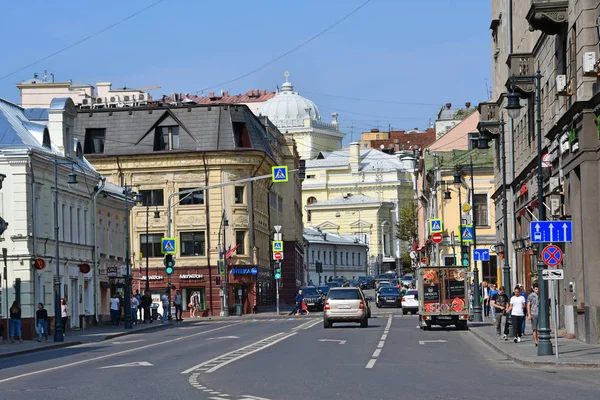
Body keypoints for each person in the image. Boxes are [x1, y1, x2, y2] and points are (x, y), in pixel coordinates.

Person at [527, 282, 540, 347]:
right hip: (534, 313)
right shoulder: (530, 296)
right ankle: (536, 341)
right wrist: (529, 314)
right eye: (536, 289)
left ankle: (540, 340)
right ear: (533, 289)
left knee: (540, 328)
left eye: (538, 289)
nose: (537, 290)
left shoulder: (541, 295)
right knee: (534, 328)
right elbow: (528, 305)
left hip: (540, 314)